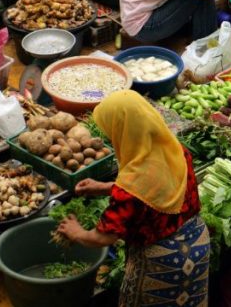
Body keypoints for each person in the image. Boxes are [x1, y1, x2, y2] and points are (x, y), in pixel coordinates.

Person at [56, 90, 210, 307]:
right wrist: (105, 187)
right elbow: (156, 189)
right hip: (197, 242)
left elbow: (103, 238)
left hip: (164, 261)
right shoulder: (174, 150)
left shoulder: (132, 183)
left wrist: (76, 232)